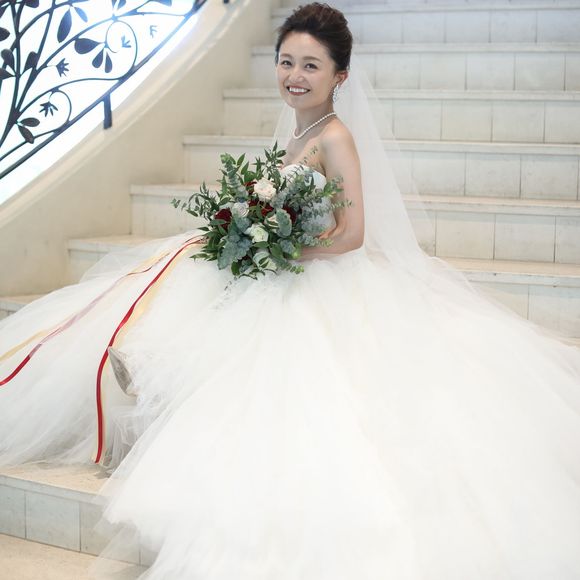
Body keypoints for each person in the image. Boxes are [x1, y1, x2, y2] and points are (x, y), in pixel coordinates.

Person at [1, 3, 580, 579]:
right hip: (291, 260)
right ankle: (157, 375)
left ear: (339, 76)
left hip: (323, 271)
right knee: (194, 269)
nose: (294, 76)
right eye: (286, 62)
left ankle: (163, 381)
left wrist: (282, 252)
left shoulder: (337, 138)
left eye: (310, 66)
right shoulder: (301, 130)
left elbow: (352, 234)